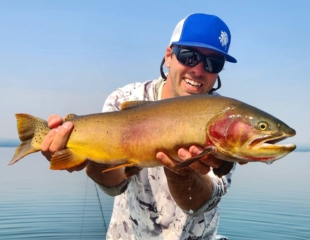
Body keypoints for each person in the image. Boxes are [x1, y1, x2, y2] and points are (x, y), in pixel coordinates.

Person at [41, 13, 240, 239]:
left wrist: (181, 173)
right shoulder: (123, 98)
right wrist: (88, 156)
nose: (199, 70)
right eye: (189, 56)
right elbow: (114, 185)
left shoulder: (225, 120)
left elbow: (203, 203)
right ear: (168, 56)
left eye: (213, 63)